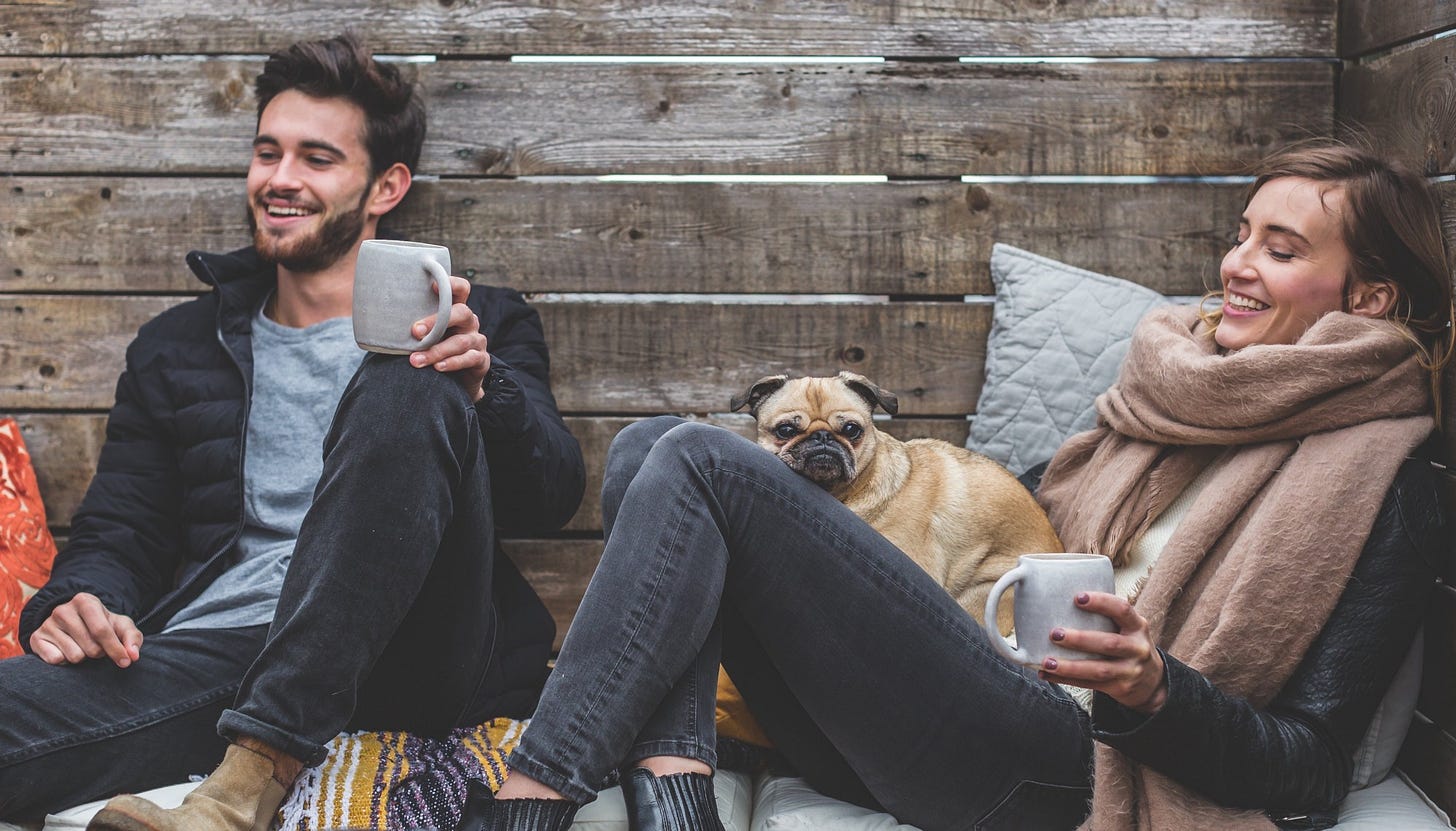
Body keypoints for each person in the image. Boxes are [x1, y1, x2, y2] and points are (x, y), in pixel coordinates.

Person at [465, 142, 1452, 831]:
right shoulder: (1179, 393)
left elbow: (1314, 772)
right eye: (1241, 234)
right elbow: (1016, 512)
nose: (1235, 265)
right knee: (649, 450)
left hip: (1067, 772)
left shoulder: (1379, 475)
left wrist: (1156, 693)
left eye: (1279, 251)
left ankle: (534, 794)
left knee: (693, 457)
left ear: (1367, 299)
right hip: (946, 706)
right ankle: (677, 790)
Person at [0, 35, 583, 830]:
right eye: (267, 153)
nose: (279, 179)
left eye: (316, 158)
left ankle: (248, 779)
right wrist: (77, 600)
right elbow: (123, 528)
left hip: (412, 648)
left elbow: (551, 494)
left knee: (409, 371)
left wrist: (485, 387)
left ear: (386, 186)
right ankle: (257, 743)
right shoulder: (177, 347)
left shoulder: (480, 321)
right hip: (225, 652)